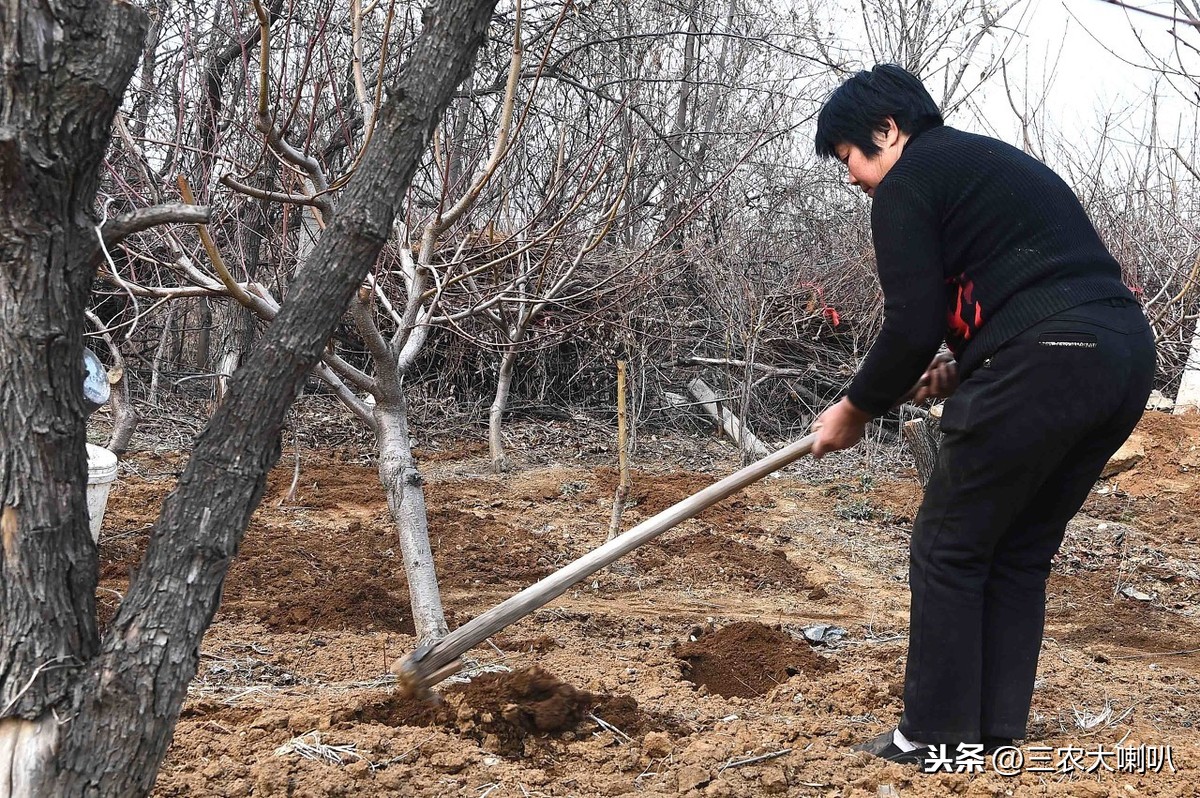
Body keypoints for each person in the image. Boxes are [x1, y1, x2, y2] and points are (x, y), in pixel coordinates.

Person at [809, 64, 1155, 763]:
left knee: (951, 546)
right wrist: (965, 366)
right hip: (1121, 356)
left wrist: (856, 407)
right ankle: (993, 733)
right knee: (1017, 551)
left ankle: (932, 735)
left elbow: (912, 324)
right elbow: (1049, 289)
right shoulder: (994, 166)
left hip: (1045, 359)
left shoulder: (910, 180)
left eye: (851, 159)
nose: (854, 179)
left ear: (887, 130)